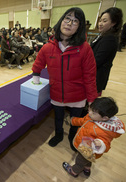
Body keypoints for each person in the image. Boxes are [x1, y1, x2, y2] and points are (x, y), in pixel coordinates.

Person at [32, 7, 98, 151]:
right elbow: (38, 63)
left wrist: (92, 98)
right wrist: (35, 75)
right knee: (58, 117)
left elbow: (90, 75)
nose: (69, 23)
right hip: (57, 92)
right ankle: (59, 134)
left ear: (79, 27)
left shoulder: (85, 48)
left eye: (75, 21)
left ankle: (72, 138)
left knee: (75, 120)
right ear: (61, 21)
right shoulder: (48, 47)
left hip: (78, 94)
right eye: (67, 18)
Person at [62, 97, 125, 178]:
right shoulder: (91, 117)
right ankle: (87, 168)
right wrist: (73, 121)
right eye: (90, 109)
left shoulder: (106, 130)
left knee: (80, 161)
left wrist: (101, 144)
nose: (89, 112)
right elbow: (82, 121)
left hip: (89, 149)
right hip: (85, 145)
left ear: (105, 118)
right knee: (87, 160)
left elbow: (106, 144)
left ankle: (74, 171)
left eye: (93, 112)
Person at [91, 7, 123, 95]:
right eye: (100, 20)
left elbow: (97, 61)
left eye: (104, 21)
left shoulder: (110, 39)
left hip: (96, 77)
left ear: (113, 23)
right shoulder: (103, 34)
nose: (100, 23)